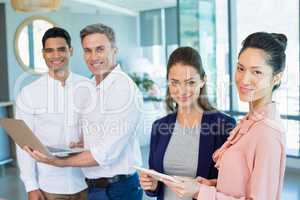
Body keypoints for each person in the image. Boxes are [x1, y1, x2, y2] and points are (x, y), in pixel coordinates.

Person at [24, 23, 143, 200]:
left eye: (100, 49)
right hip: (95, 188)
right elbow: (98, 132)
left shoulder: (123, 90)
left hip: (117, 190)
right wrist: (80, 143)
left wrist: (58, 162)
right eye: (88, 50)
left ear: (114, 50)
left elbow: (105, 153)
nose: (93, 57)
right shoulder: (92, 86)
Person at [162, 32, 287, 200]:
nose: (244, 79)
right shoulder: (248, 123)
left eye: (257, 72)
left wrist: (200, 192)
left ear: (276, 78)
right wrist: (210, 184)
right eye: (241, 68)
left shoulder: (267, 133)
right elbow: (241, 184)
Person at [139, 47, 236, 200]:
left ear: (203, 80)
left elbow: (231, 187)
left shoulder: (224, 126)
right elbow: (155, 187)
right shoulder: (159, 127)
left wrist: (203, 187)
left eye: (190, 82)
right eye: (175, 82)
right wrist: (151, 185)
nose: (182, 90)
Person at [16, 27, 87, 200]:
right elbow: (24, 144)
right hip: (50, 185)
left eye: (61, 49)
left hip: (87, 181)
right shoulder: (29, 93)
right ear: (43, 54)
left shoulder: (88, 87)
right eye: (50, 50)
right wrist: (31, 186)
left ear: (71, 51)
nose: (56, 55)